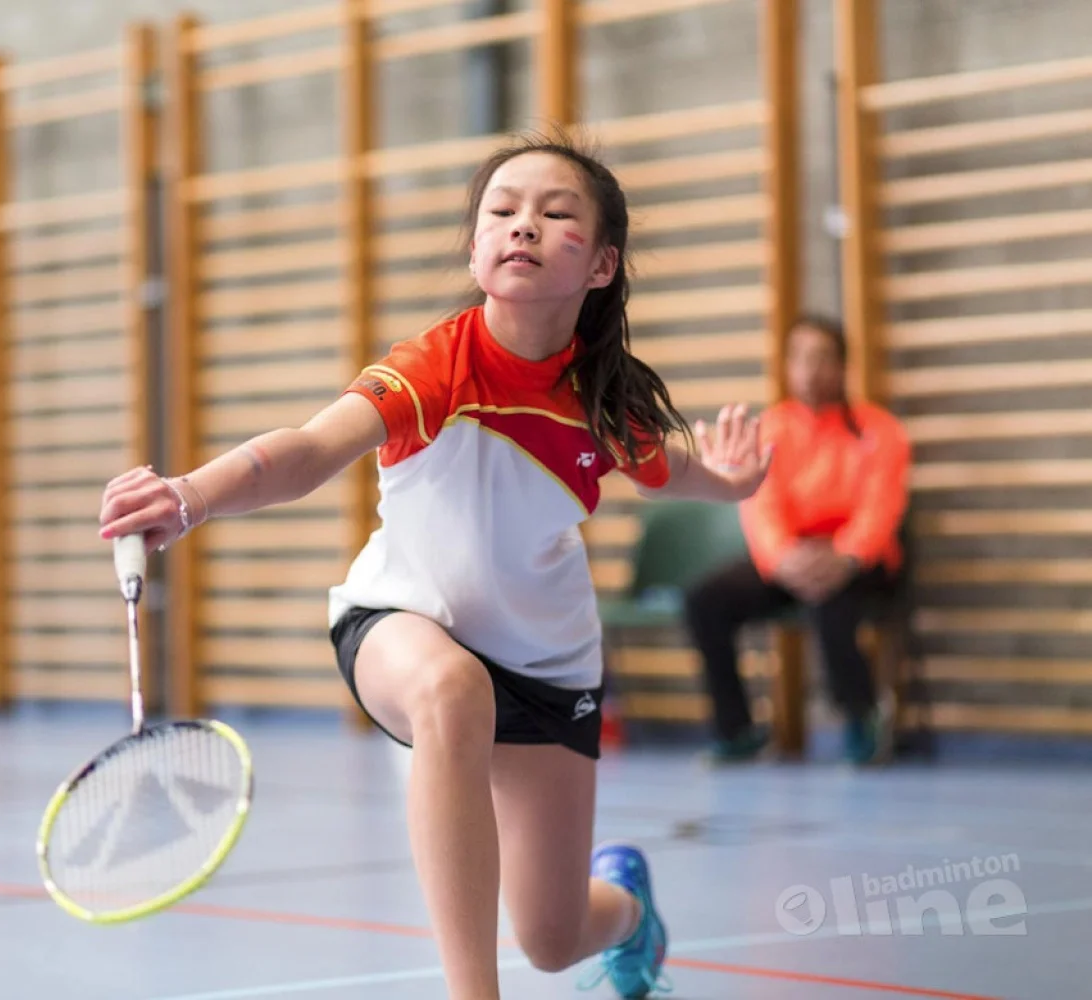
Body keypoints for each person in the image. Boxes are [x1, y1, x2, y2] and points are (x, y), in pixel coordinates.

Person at [99, 131, 771, 1000]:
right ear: (477, 244)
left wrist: (731, 481)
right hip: (401, 620)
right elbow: (306, 449)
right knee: (453, 692)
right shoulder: (436, 367)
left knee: (554, 936)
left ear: (602, 264)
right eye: (503, 210)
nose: (523, 225)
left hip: (547, 663)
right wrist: (189, 496)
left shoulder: (601, 401)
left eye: (554, 213)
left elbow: (666, 468)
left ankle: (629, 912)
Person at [683, 315, 911, 767]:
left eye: (822, 358)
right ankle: (736, 731)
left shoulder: (880, 430)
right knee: (706, 599)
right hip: (790, 559)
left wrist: (845, 558)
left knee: (832, 598)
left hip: (860, 563)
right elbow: (761, 505)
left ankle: (861, 720)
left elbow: (881, 507)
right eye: (801, 358)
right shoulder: (772, 428)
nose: (810, 370)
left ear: (843, 366)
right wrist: (784, 558)